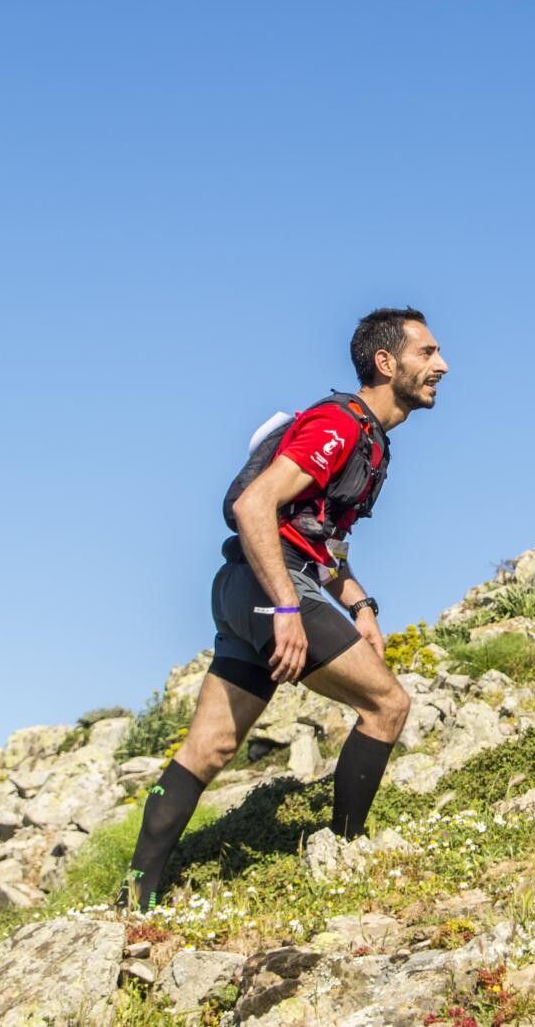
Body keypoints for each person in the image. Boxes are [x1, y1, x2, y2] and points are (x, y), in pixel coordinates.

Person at [119, 307, 447, 911]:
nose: (442, 365)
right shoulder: (337, 424)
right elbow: (254, 507)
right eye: (426, 353)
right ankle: (346, 856)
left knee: (209, 749)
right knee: (388, 705)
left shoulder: (372, 442)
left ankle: (133, 898)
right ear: (385, 362)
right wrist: (288, 610)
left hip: (244, 589)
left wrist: (361, 604)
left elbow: (320, 537)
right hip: (271, 590)